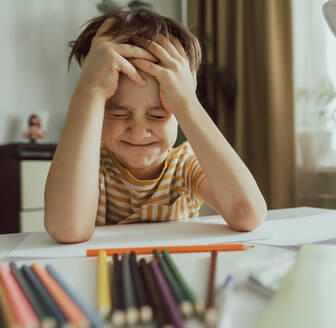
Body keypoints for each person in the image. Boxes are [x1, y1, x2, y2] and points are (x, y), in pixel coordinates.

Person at [44, 8, 266, 243]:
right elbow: (67, 229)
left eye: (158, 115)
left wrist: (187, 102)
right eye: (118, 114)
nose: (138, 132)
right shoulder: (89, 167)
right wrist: (90, 89)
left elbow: (248, 214)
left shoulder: (185, 166)